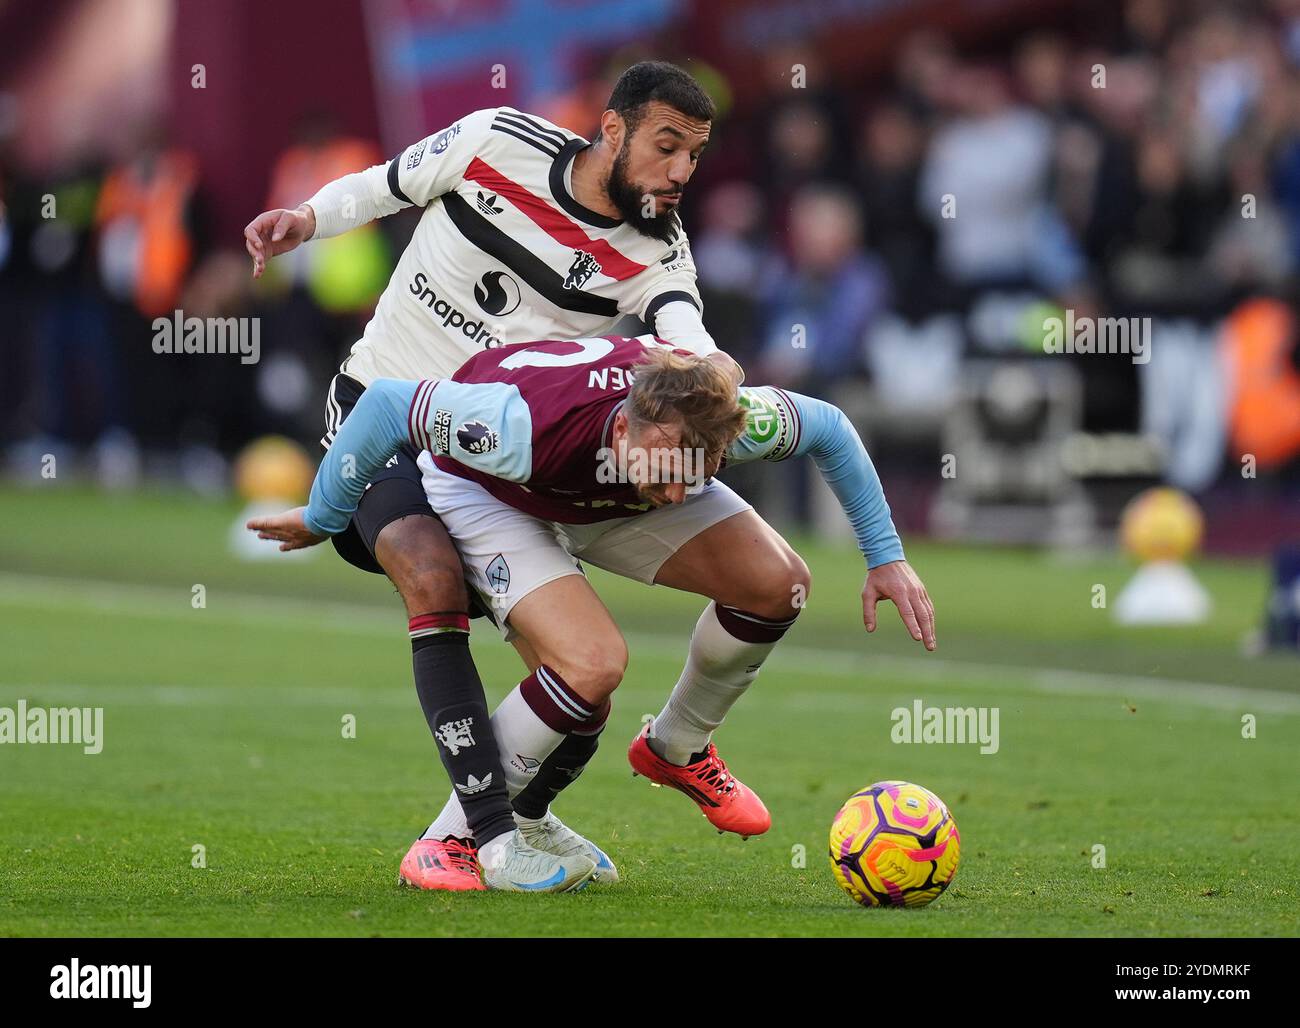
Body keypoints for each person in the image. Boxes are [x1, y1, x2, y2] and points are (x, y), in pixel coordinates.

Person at [243, 62, 738, 892]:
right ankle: (478, 841)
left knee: (583, 669)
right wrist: (307, 218)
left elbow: (679, 319)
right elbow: (387, 183)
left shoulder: (658, 247)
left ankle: (534, 816)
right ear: (611, 130)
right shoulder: (495, 140)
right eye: (667, 147)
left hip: (490, 462)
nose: (681, 172)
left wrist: (710, 362)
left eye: (694, 155)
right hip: (384, 417)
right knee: (429, 573)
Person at [249, 335, 937, 891]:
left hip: (600, 496)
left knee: (779, 583)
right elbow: (388, 407)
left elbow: (830, 428)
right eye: (668, 467)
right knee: (593, 663)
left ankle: (678, 745)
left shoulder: (712, 425)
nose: (679, 491)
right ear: (634, 420)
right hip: (490, 494)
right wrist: (322, 515)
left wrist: (886, 557)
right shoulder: (512, 428)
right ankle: (448, 843)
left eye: (700, 472)